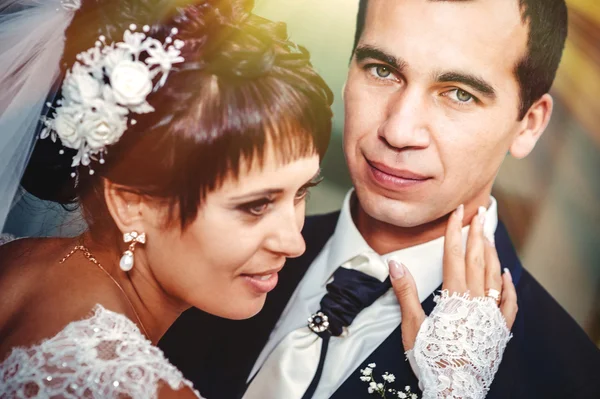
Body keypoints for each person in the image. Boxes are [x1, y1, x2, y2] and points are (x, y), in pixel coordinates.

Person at [0, 0, 516, 398]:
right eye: (255, 205)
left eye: (302, 192)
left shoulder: (17, 260)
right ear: (131, 202)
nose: (294, 241)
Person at [160, 0, 600, 398]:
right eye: (382, 70)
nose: (398, 131)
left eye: (460, 94)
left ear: (529, 125)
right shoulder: (196, 260)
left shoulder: (570, 378)